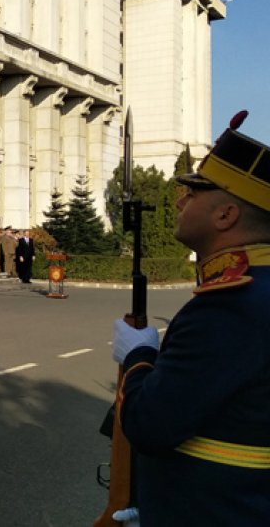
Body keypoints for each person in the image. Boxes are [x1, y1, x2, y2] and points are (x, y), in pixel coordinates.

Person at [110, 116, 270, 526]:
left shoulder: (231, 304)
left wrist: (139, 353)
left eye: (196, 192)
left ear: (226, 215)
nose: (180, 201)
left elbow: (150, 425)